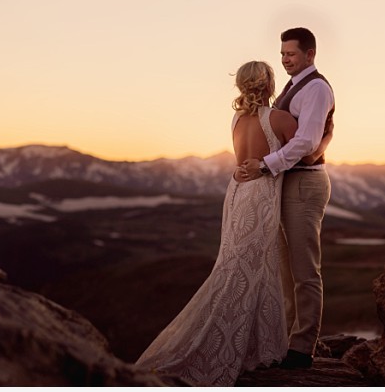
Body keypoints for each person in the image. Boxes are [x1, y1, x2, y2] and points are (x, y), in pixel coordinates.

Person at [134, 61, 327, 386]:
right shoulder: (278, 118)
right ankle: (232, 346)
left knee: (237, 266)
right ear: (269, 85)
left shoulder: (237, 119)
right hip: (261, 197)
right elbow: (307, 153)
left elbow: (242, 160)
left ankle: (246, 340)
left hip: (238, 193)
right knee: (251, 270)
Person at [240, 27, 335, 370]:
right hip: (287, 182)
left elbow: (306, 142)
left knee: (305, 269)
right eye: (282, 55)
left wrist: (265, 165)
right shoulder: (293, 88)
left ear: (310, 54)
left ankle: (303, 346)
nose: (285, 60)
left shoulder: (317, 88)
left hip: (304, 184)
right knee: (286, 270)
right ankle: (288, 338)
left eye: (291, 54)